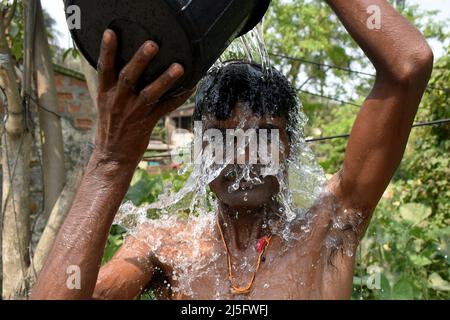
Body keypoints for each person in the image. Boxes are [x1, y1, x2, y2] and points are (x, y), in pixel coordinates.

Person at [31, 0, 433, 300]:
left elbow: (408, 65)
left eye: (263, 135)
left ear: (289, 147)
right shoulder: (166, 249)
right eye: (222, 139)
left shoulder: (327, 232)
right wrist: (110, 161)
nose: (243, 157)